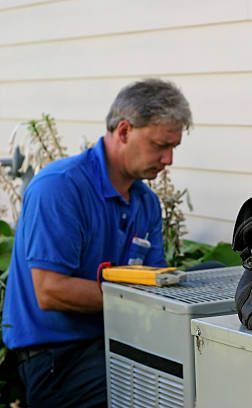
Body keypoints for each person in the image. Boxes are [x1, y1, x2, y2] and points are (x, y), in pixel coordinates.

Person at [2, 78, 192, 407]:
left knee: (195, 373)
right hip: (55, 357)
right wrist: (142, 299)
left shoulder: (145, 202)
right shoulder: (60, 188)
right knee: (161, 391)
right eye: (160, 145)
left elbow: (156, 282)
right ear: (123, 131)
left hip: (115, 339)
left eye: (173, 147)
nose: (168, 159)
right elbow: (50, 290)